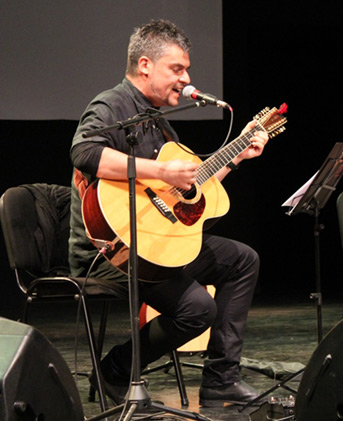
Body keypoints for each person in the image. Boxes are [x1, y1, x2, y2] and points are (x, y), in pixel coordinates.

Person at [68, 19, 269, 407]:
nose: (186, 78)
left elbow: (191, 185)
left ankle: (221, 379)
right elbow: (84, 153)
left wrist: (238, 154)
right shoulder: (113, 104)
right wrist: (160, 171)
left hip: (155, 243)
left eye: (186, 70)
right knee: (198, 309)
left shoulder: (158, 123)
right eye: (177, 69)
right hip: (111, 251)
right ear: (145, 65)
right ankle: (115, 368)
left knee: (242, 260)